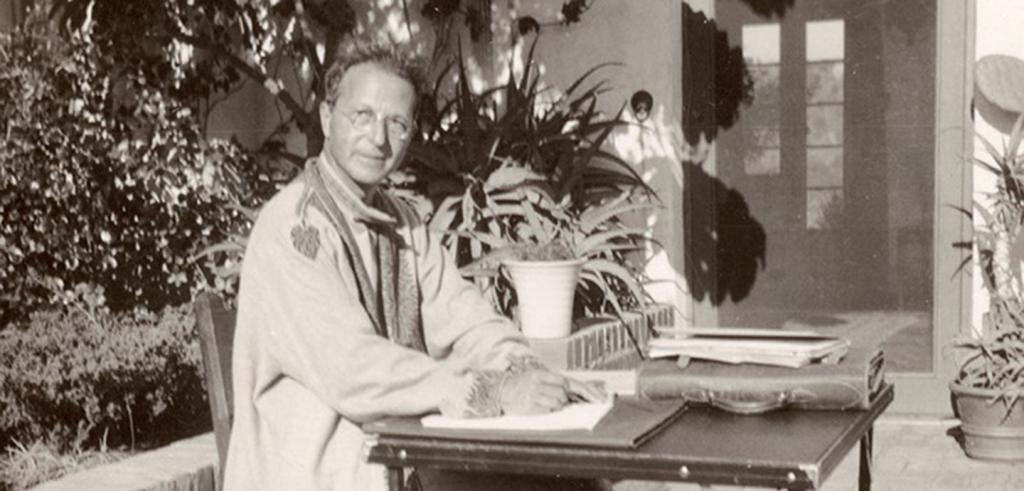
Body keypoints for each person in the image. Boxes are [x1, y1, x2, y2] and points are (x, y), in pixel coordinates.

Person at [223, 39, 606, 491]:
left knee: (573, 482)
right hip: (320, 472)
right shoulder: (293, 228)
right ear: (327, 118)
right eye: (361, 116)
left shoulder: (401, 222)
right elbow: (355, 368)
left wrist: (522, 367)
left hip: (397, 456)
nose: (378, 138)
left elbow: (463, 317)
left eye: (397, 124)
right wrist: (494, 392)